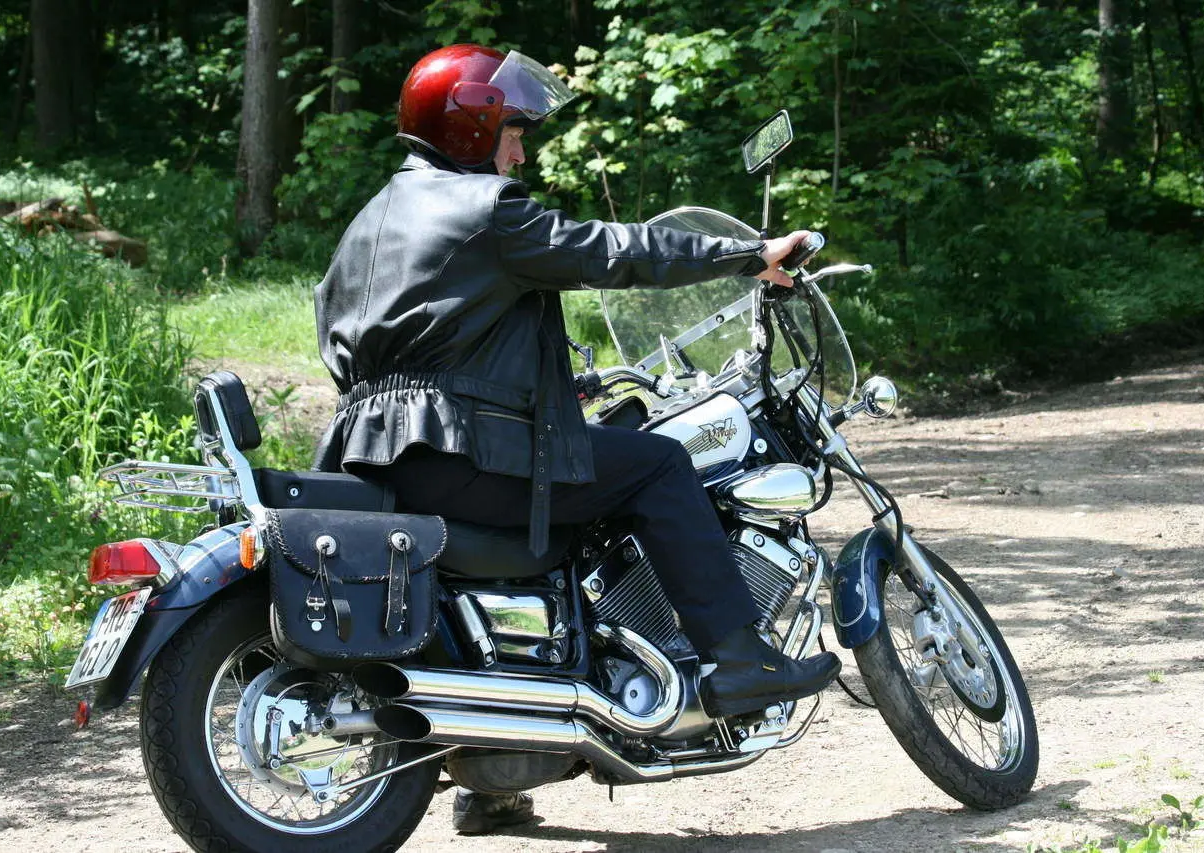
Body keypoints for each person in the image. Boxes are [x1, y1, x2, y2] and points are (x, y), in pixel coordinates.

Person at [313, 44, 841, 833]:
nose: (521, 149)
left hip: (382, 456)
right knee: (659, 465)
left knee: (583, 501)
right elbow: (613, 252)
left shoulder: (371, 221)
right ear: (472, 129)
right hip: (465, 453)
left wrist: (569, 389)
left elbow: (434, 345)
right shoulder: (485, 208)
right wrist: (747, 254)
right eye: (513, 130)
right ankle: (738, 659)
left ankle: (495, 778)